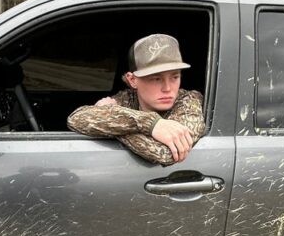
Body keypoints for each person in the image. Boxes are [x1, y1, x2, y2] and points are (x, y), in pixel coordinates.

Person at [67, 34, 205, 166]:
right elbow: (76, 119)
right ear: (132, 80)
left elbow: (166, 153)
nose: (167, 88)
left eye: (175, 77)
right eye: (156, 79)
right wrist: (151, 124)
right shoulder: (127, 99)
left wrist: (112, 121)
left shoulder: (189, 101)